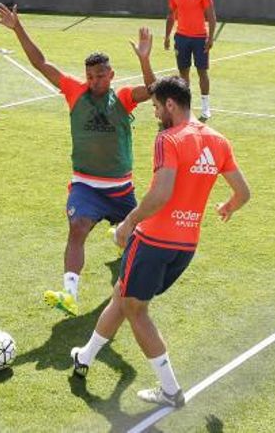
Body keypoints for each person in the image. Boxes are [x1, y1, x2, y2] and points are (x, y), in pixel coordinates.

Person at [69, 74, 250, 408]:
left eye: (155, 107)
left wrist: (128, 223)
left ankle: (170, 389)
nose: (154, 113)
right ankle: (85, 356)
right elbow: (243, 193)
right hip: (185, 246)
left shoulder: (169, 139)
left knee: (136, 310)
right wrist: (228, 206)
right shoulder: (219, 140)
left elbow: (161, 193)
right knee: (122, 294)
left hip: (154, 240)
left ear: (170, 104)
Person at [0, 3, 156, 317]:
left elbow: (151, 90)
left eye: (100, 75)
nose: (94, 80)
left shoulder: (121, 97)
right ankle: (69, 294)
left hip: (121, 189)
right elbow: (41, 63)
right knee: (78, 227)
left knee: (138, 242)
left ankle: (121, 234)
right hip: (85, 185)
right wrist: (17, 28)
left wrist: (145, 59)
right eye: (90, 76)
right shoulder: (74, 91)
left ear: (111, 75)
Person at [164, 0, 217, 122]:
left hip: (200, 38)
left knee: (202, 71)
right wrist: (166, 37)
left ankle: (206, 107)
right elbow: (171, 15)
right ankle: (185, 106)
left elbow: (212, 16)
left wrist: (210, 37)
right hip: (181, 38)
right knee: (183, 73)